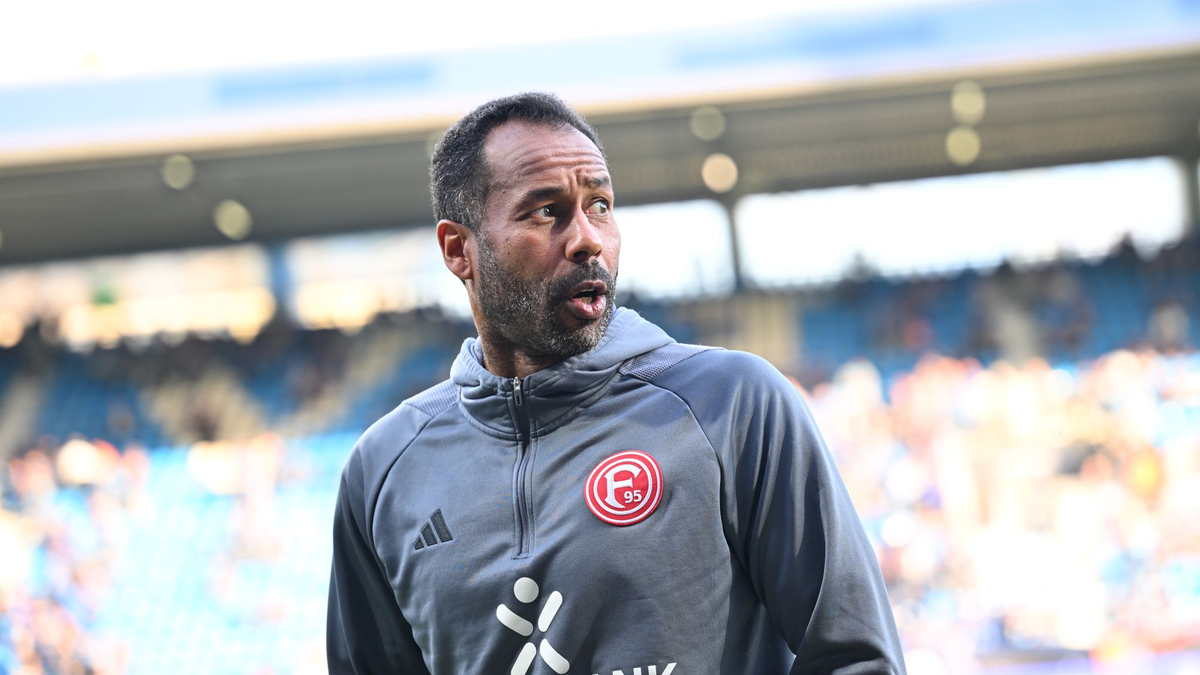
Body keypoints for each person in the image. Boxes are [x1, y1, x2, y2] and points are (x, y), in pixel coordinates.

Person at [327, 92, 906, 675]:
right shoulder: (382, 471)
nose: (588, 238)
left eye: (599, 205)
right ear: (459, 249)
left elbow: (855, 658)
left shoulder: (732, 404)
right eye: (546, 212)